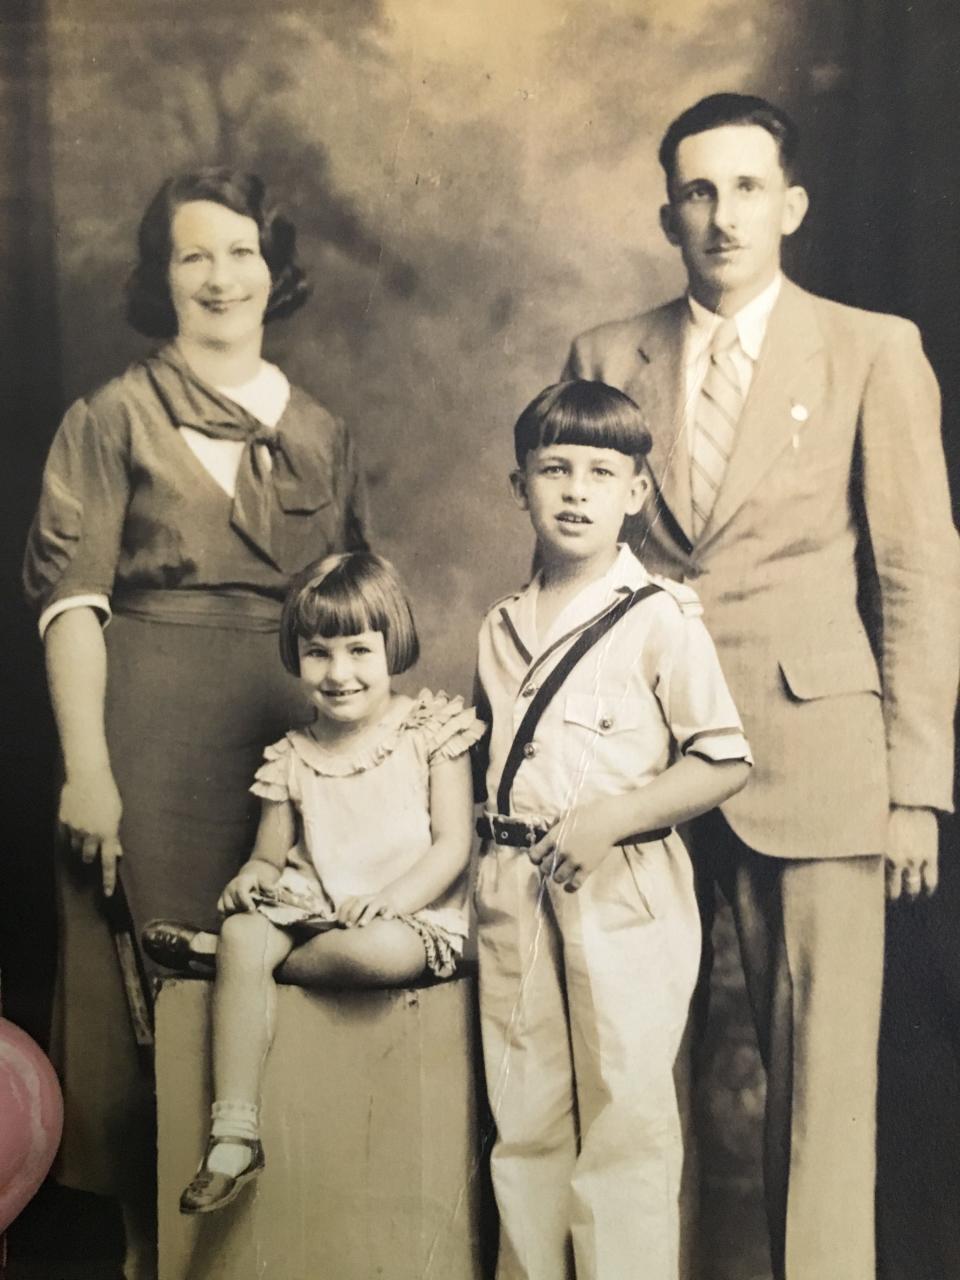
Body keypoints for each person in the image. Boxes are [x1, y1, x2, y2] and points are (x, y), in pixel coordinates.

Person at [562, 93, 960, 1280]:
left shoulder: (871, 347)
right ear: (668, 214)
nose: (722, 213)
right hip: (645, 758)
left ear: (790, 204)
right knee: (632, 1063)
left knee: (824, 1084)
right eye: (698, 191)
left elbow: (917, 570)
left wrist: (915, 788)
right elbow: (578, 565)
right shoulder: (605, 356)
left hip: (823, 757)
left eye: (746, 187)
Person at [22, 169, 369, 1277]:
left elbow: (355, 616)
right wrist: (90, 768)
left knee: (279, 971)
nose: (222, 276)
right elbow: (70, 604)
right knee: (143, 1008)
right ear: (159, 276)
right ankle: (146, 1252)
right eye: (194, 254)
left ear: (276, 269)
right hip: (148, 736)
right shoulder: (111, 416)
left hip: (287, 743)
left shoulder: (321, 429)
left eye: (242, 251)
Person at [473, 379, 752, 1280]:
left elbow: (724, 760)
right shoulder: (499, 626)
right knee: (524, 1124)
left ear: (638, 492)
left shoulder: (660, 618)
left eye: (602, 471)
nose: (576, 490)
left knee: (625, 1123)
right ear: (520, 485)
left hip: (624, 888)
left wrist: (613, 818)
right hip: (515, 887)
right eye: (554, 469)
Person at [142, 551, 481, 1214]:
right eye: (318, 653)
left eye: (359, 650)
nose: (340, 673)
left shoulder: (429, 731)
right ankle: (234, 1137)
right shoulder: (292, 756)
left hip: (411, 921)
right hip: (313, 912)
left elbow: (453, 845)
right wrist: (250, 879)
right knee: (245, 928)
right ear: (296, 656)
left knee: (369, 951)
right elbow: (269, 858)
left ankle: (235, 965)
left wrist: (393, 900)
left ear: (394, 647)